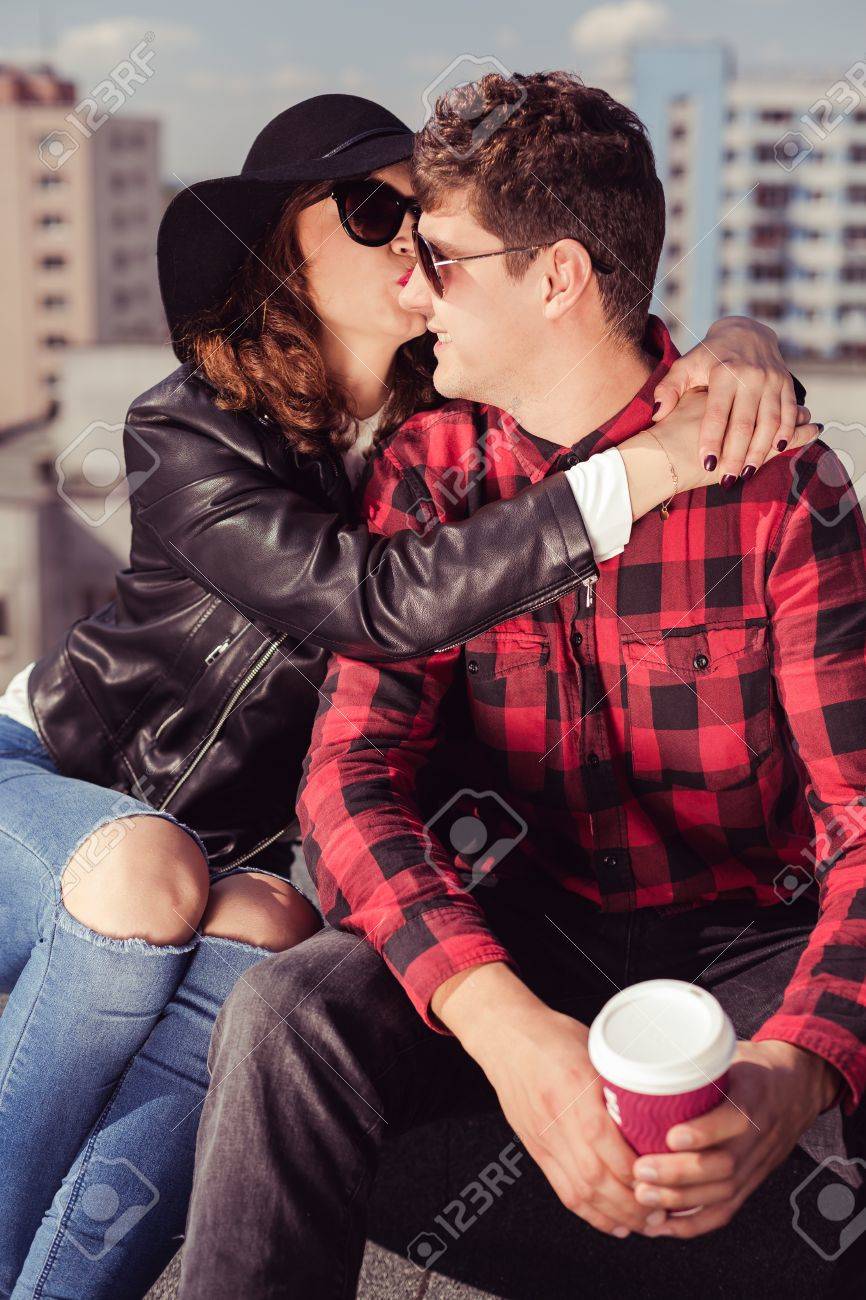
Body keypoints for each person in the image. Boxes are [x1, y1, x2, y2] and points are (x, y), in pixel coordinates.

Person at [0, 91, 809, 1299]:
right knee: (143, 876)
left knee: (266, 947)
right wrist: (639, 471)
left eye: (422, 220)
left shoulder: (441, 430)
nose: (411, 243)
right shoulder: (189, 428)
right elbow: (374, 599)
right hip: (57, 782)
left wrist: (737, 341)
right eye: (371, 212)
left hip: (232, 852)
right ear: (282, 248)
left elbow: (584, 334)